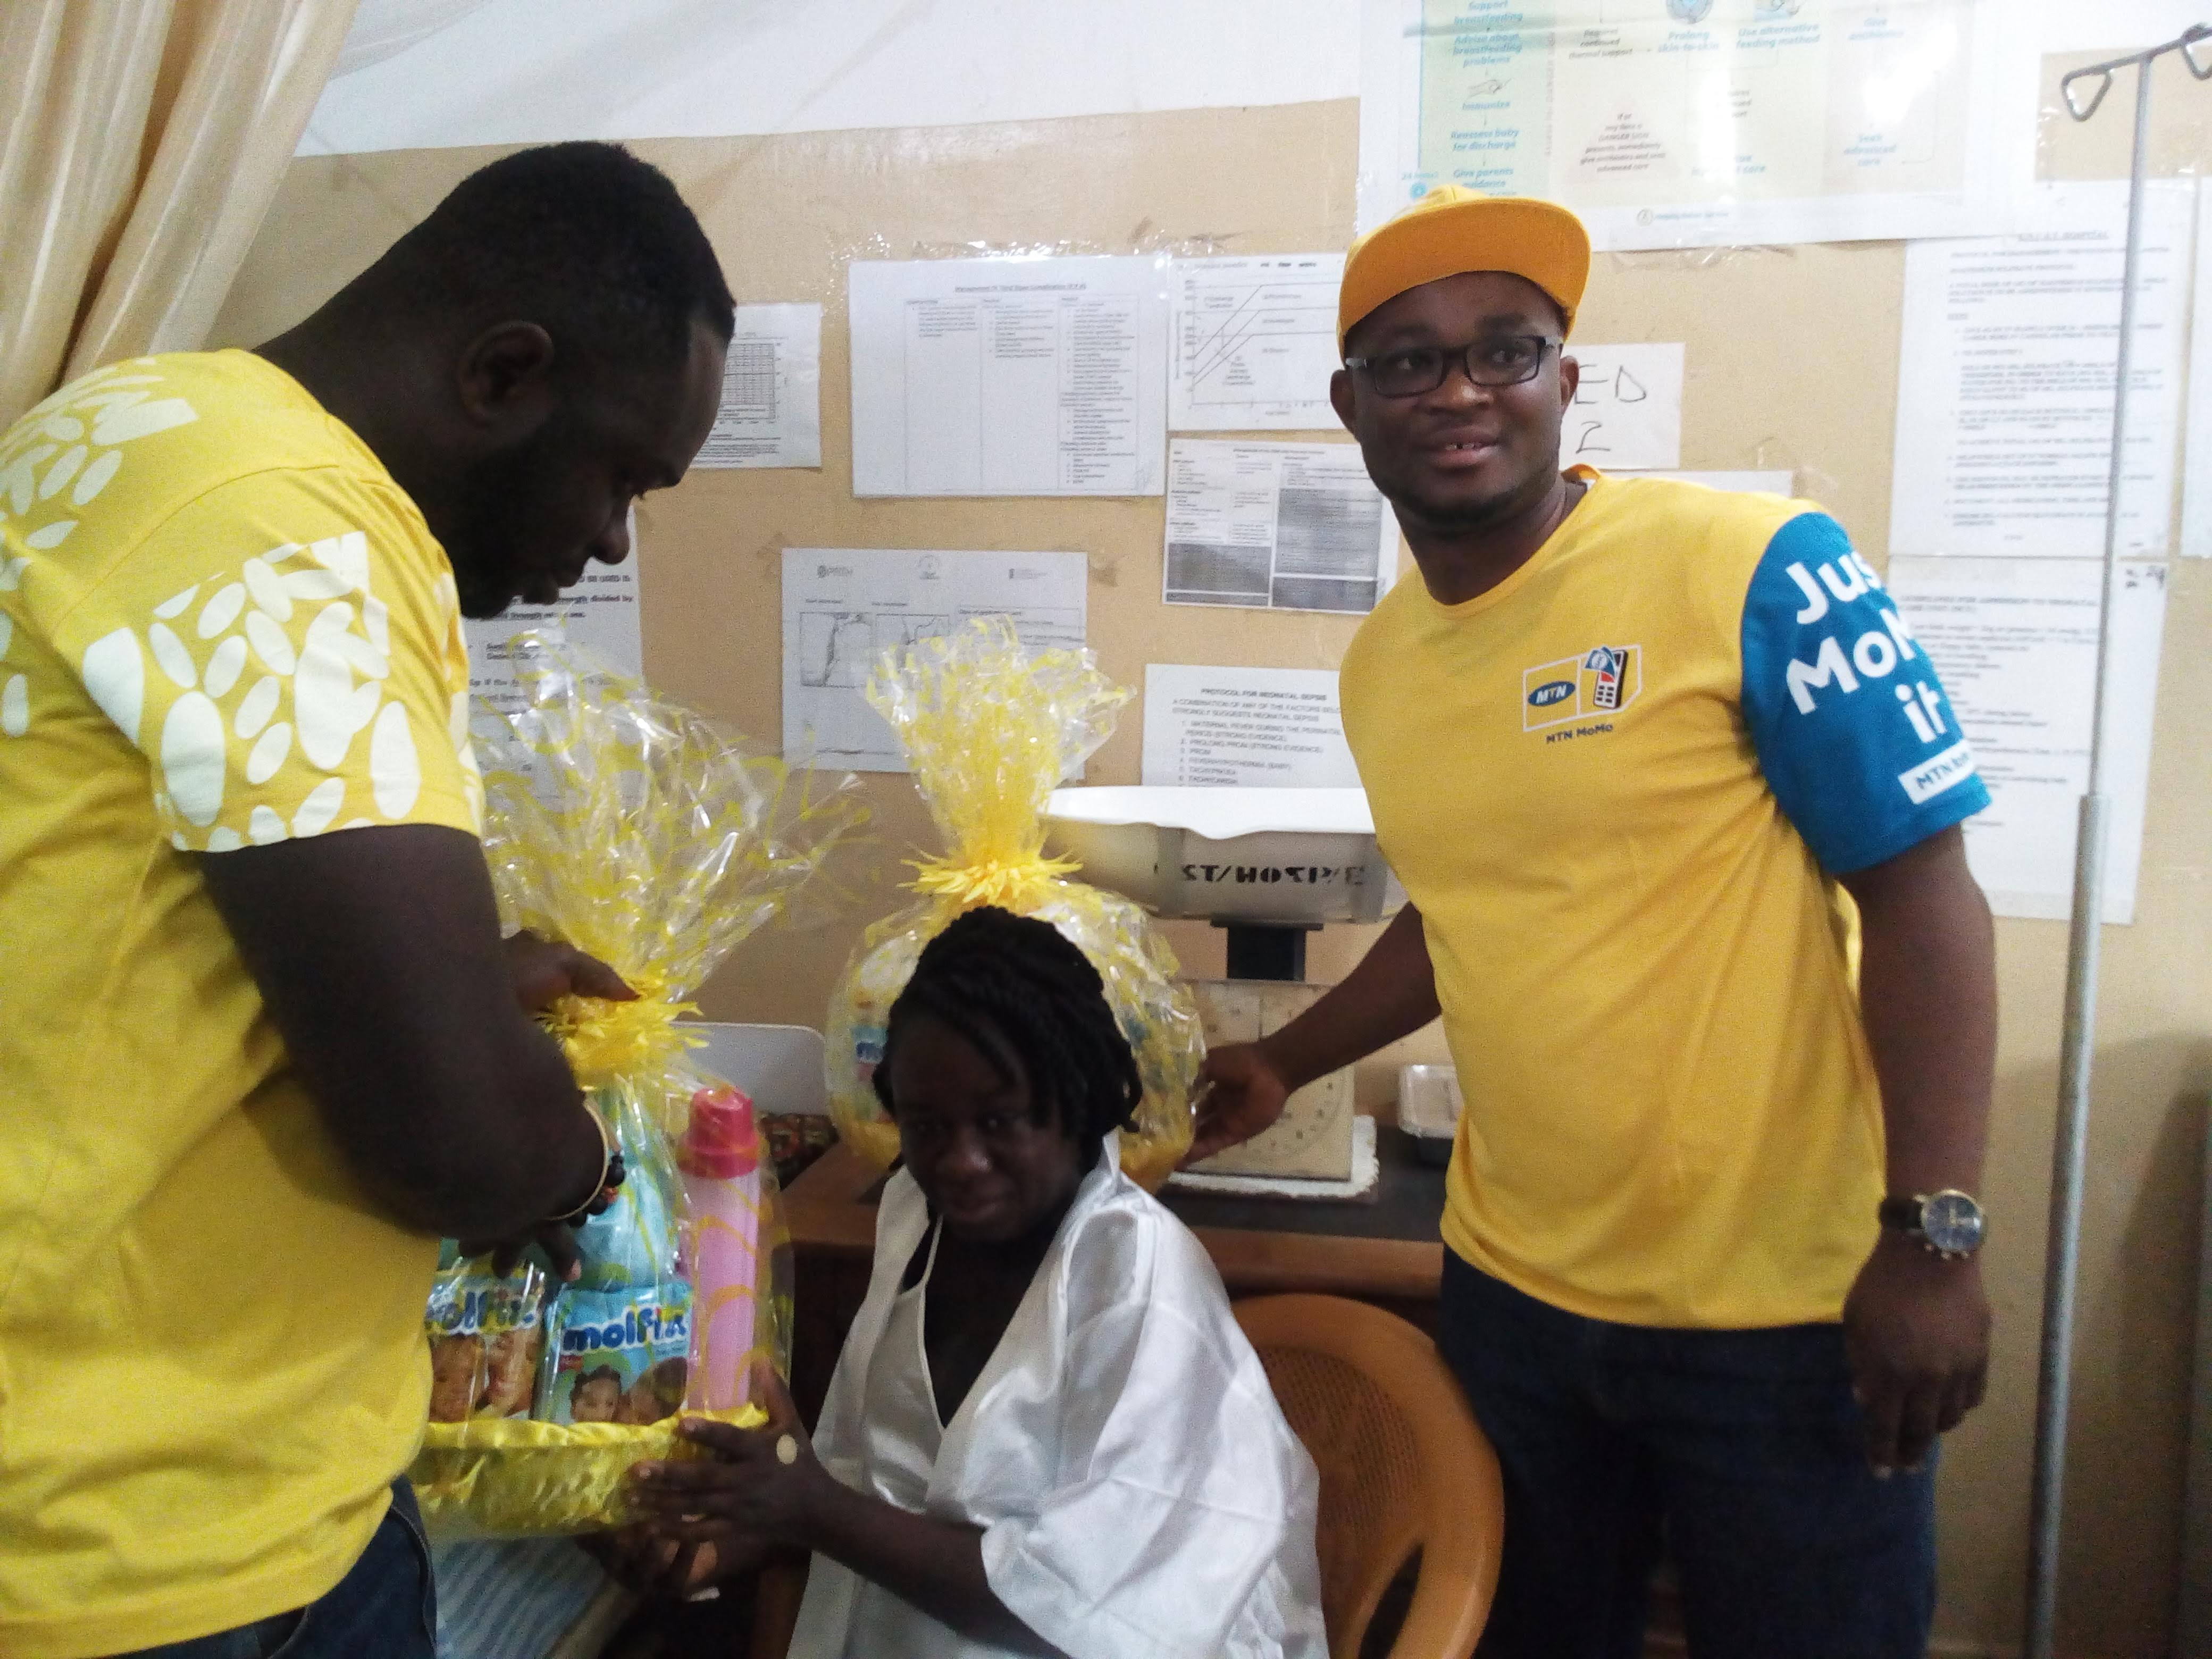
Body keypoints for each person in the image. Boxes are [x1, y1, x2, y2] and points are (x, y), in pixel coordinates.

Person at [1191, 188, 1998, 1659]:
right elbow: (1467, 909)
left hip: (1784, 1317)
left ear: (1567, 380)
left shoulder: (1755, 567)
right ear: (1347, 406)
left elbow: (1925, 890)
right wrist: (1286, 1061)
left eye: (1506, 350)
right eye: (1409, 362)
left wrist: (1935, 1243)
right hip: (1513, 1303)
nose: (1460, 392)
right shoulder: (1383, 668)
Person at [0, 142, 731, 1658]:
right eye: (621, 478)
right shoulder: (293, 536)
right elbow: (457, 1143)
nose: (608, 542)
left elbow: (111, 913)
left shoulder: (128, 425)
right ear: (504, 376)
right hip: (149, 1538)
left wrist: (462, 984)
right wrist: (602, 1163)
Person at [626, 907, 1329, 1659]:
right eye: (928, 1126)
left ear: (1078, 1101)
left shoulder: (1135, 1278)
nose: (960, 1161)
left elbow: (1088, 1614)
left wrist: (809, 1510)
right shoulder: (916, 1219)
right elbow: (873, 1488)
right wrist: (728, 1530)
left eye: (1000, 1122)